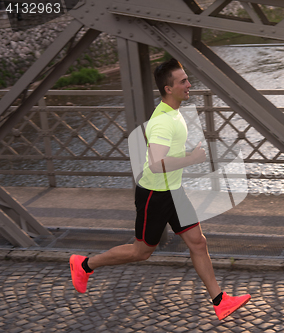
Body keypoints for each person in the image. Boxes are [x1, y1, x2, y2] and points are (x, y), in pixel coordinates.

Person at [69, 58, 251, 320]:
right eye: (183, 81)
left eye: (187, 79)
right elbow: (156, 165)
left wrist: (186, 154)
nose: (189, 85)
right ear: (168, 88)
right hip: (155, 194)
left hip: (173, 191)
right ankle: (84, 264)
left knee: (198, 243)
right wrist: (192, 159)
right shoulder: (163, 121)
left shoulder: (174, 112)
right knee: (140, 252)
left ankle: (220, 301)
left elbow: (164, 154)